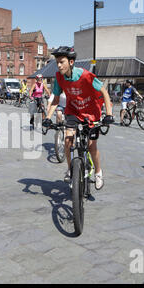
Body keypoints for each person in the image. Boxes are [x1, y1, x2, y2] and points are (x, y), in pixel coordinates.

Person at [43, 46, 114, 190]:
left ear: (71, 62)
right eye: (57, 62)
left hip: (91, 112)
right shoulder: (59, 77)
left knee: (91, 145)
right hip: (73, 111)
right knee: (68, 142)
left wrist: (109, 114)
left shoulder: (85, 75)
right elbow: (56, 100)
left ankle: (98, 173)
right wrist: (48, 117)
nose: (58, 65)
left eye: (61, 62)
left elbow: (104, 92)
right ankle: (70, 169)